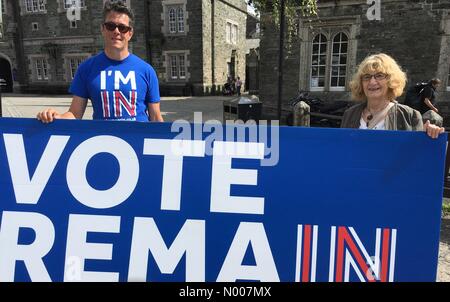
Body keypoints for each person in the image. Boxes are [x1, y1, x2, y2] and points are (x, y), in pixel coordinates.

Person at [37, 0, 163, 123]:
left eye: (122, 28)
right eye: (111, 26)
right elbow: (75, 114)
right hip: (102, 142)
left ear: (130, 33)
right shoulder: (87, 68)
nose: (116, 31)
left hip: (137, 142)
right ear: (103, 29)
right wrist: (56, 117)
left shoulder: (146, 70)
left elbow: (156, 118)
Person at [341, 53, 443, 139]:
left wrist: (429, 135)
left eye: (379, 75)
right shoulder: (349, 114)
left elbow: (415, 155)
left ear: (391, 80)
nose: (372, 82)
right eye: (366, 77)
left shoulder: (409, 116)